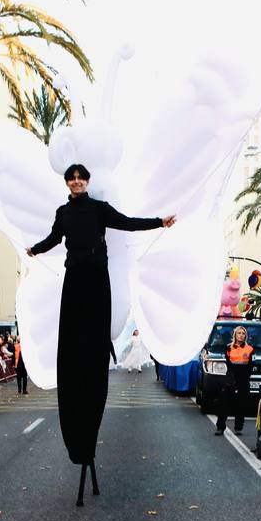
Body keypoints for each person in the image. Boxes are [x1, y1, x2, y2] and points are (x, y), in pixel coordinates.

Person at [25, 162, 175, 503]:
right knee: (73, 339)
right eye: (72, 178)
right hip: (75, 277)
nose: (77, 182)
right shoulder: (63, 213)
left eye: (81, 178)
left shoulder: (98, 209)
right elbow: (52, 239)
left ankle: (98, 353)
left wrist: (158, 222)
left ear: (87, 181)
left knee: (93, 337)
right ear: (67, 183)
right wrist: (35, 249)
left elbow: (126, 223)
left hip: (97, 278)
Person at [214, 325, 253, 436]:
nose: (241, 335)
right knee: (225, 403)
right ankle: (220, 427)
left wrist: (245, 379)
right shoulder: (228, 348)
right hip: (231, 378)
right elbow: (228, 364)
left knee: (241, 404)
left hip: (243, 379)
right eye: (239, 333)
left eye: (243, 333)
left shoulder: (250, 349)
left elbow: (250, 366)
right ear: (235, 335)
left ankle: (238, 427)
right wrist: (230, 378)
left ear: (245, 336)